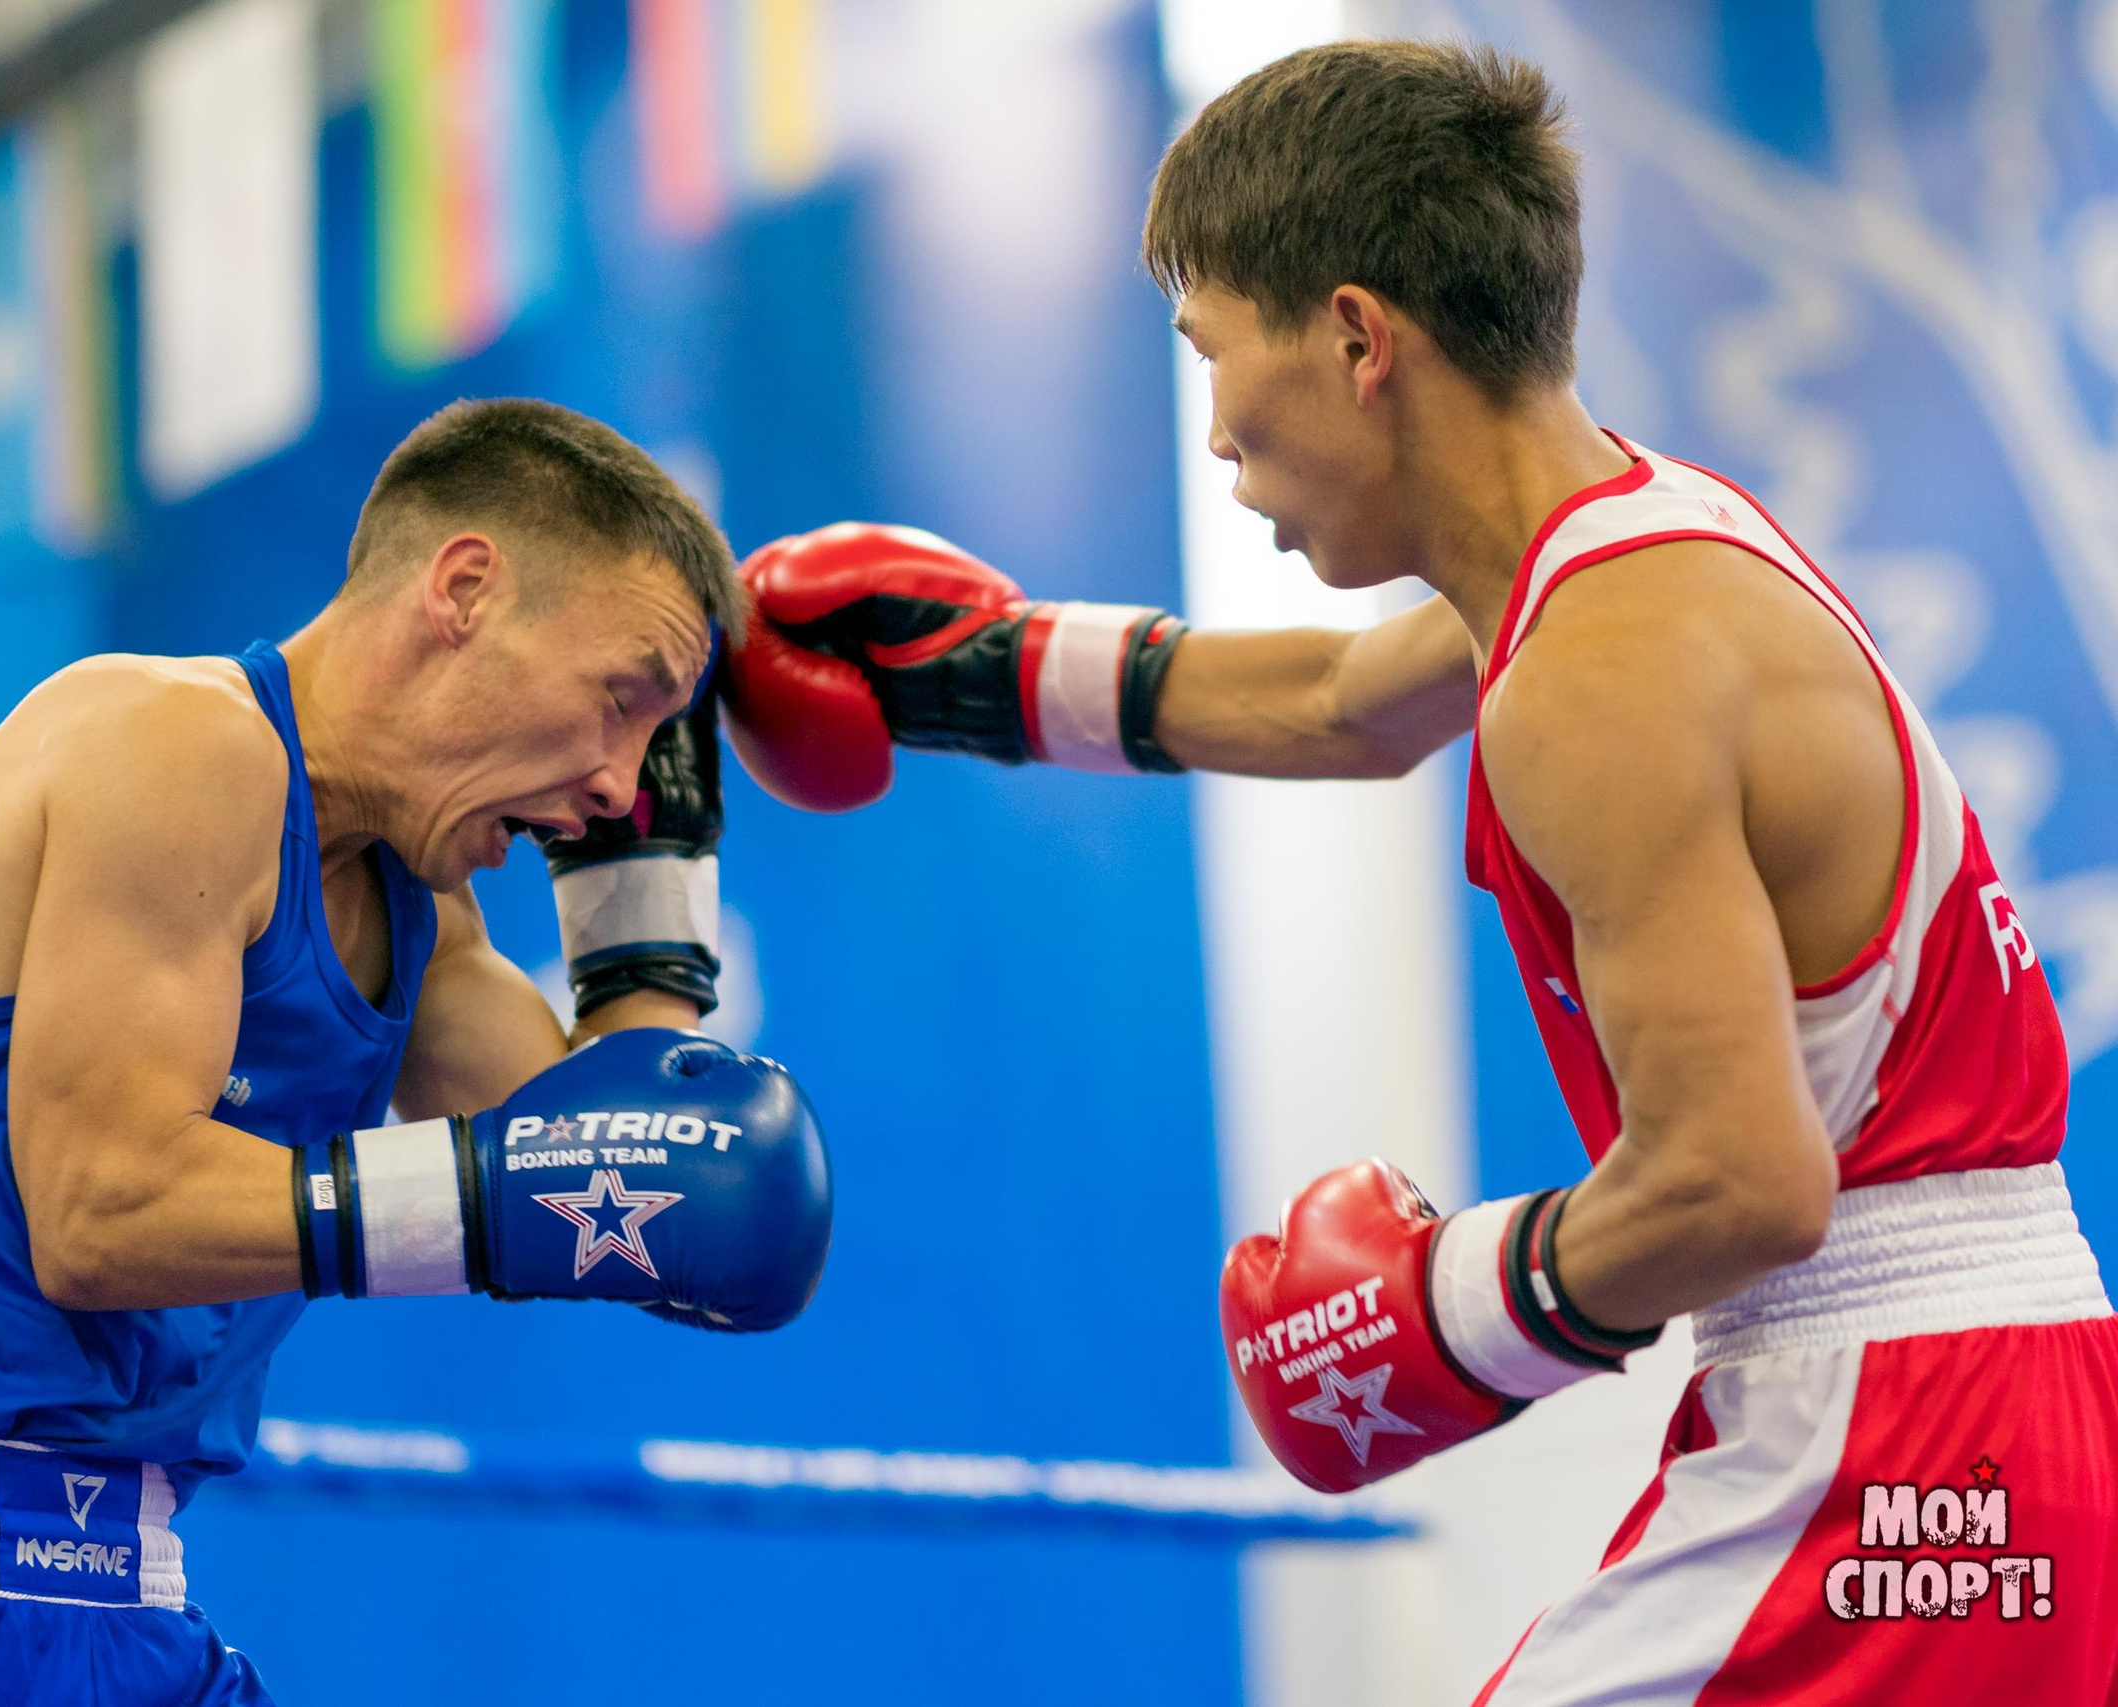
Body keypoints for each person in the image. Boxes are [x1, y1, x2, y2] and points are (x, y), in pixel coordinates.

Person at [722, 40, 2115, 1705]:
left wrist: (1441, 1311)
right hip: (1996, 1415)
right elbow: (1333, 704)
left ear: (1357, 338)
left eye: (1212, 353)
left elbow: (1742, 1186)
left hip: (1886, 1417)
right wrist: (984, 675)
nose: (1220, 436)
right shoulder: (1637, 551)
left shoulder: (1604, 674)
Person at [0, 398, 834, 1707]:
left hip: (130, 1603)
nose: (620, 776)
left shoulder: (416, 909)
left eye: (652, 735)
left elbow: (652, 1188)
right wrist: (478, 1202)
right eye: (620, 699)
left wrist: (646, 902)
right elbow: (100, 1214)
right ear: (465, 589)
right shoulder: (172, 742)